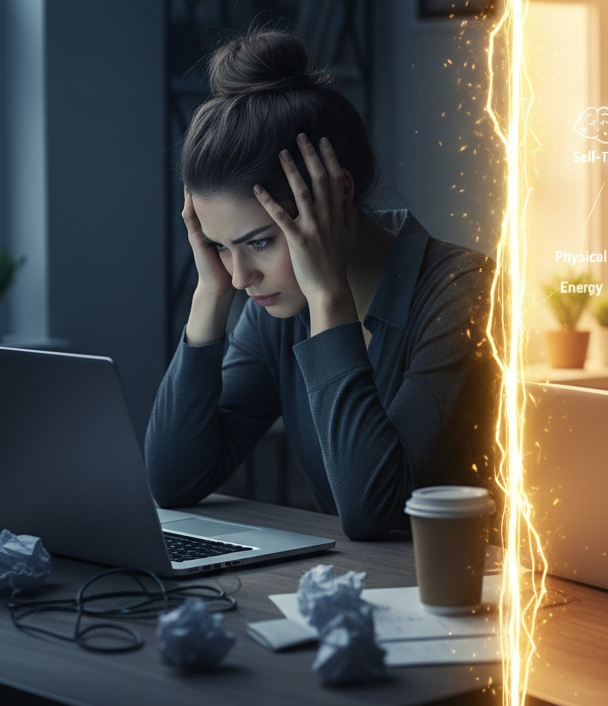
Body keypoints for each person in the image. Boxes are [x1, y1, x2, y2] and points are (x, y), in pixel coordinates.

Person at [146, 30, 497, 540]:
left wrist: (329, 298)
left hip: (463, 584)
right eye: (220, 246)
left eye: (259, 242)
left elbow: (373, 509)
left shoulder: (463, 291)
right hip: (358, 581)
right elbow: (173, 481)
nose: (240, 278)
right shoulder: (273, 304)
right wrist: (208, 294)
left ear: (338, 197)